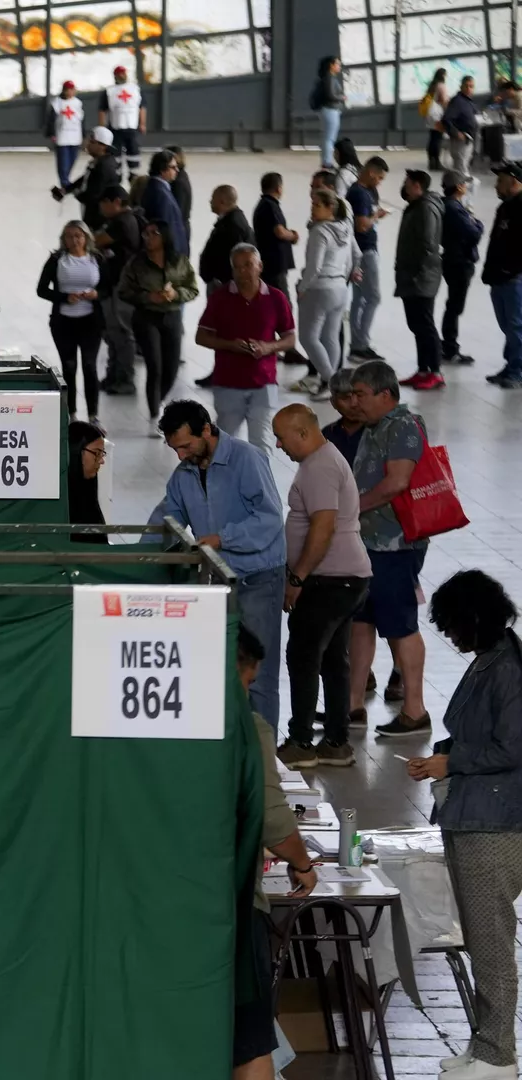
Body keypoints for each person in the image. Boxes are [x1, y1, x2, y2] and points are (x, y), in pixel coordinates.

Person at [406, 571, 522, 1080]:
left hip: (492, 826)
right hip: (472, 814)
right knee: (480, 938)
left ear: (473, 619)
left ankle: (498, 1055)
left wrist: (452, 764)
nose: (451, 638)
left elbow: (512, 747)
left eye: (453, 627)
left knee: (492, 943)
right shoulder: (491, 661)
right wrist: (446, 755)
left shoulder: (507, 671)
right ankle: (483, 1042)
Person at [151, 398, 287, 725]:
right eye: (175, 449)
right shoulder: (185, 472)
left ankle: (263, 755)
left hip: (258, 577)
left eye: (185, 446)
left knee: (258, 672)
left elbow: (269, 519)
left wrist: (223, 538)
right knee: (222, 668)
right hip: (218, 583)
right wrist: (141, 558)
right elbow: (166, 519)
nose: (181, 456)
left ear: (207, 430)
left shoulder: (247, 459)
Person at [233, 624, 318, 1080]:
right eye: (247, 683)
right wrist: (302, 863)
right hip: (229, 910)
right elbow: (270, 814)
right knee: (249, 1040)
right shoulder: (243, 727)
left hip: (140, 906)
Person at [268, 404, 372, 770]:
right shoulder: (324, 460)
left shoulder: (319, 468)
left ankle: (300, 742)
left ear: (302, 433)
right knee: (331, 659)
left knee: (304, 655)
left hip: (330, 580)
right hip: (346, 577)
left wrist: (296, 578)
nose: (278, 445)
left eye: (281, 437)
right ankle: (336, 742)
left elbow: (322, 528)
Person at [339, 360, 432, 738]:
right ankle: (352, 704)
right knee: (361, 622)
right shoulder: (375, 426)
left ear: (385, 394)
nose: (355, 402)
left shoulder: (404, 427)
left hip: (395, 545)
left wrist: (353, 508)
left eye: (361, 395)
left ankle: (415, 710)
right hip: (366, 543)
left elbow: (397, 482)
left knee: (400, 625)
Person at [194, 245, 293, 454]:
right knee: (223, 445)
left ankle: (260, 486)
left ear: (260, 266)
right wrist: (231, 345)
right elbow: (201, 336)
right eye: (237, 267)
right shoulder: (220, 298)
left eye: (248, 265)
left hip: (264, 383)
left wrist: (268, 347)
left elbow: (290, 338)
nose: (243, 272)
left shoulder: (276, 298)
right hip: (228, 384)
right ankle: (223, 484)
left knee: (262, 444)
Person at [117, 218, 198, 421]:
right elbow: (124, 291)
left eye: (154, 233)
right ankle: (155, 415)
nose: (149, 238)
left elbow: (192, 288)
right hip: (146, 317)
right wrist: (147, 297)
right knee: (155, 366)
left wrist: (176, 294)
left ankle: (159, 400)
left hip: (172, 315)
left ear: (165, 236)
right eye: (146, 234)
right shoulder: (137, 263)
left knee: (171, 368)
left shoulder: (179, 261)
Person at [289, 190, 358, 400]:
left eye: (317, 205)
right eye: (312, 204)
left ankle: (332, 382)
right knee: (330, 336)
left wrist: (302, 288)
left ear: (330, 208)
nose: (312, 208)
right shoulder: (345, 228)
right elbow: (357, 255)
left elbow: (314, 266)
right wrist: (346, 275)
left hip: (319, 289)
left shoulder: (320, 232)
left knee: (307, 338)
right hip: (340, 288)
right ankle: (332, 381)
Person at [37, 220, 105, 418]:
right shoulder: (57, 259)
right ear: (63, 239)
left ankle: (93, 415)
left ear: (86, 238)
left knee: (90, 366)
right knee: (69, 366)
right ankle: (71, 413)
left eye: (78, 236)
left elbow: (109, 287)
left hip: (91, 321)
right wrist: (64, 297)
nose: (74, 240)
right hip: (64, 322)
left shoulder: (96, 259)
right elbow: (41, 289)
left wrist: (95, 294)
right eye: (69, 236)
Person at [395, 169, 447, 389]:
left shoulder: (426, 208)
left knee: (425, 324)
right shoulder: (416, 206)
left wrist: (418, 272)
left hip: (421, 277)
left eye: (407, 182)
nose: (404, 186)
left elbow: (428, 245)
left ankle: (435, 372)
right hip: (412, 276)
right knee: (416, 323)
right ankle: (423, 369)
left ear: (417, 185)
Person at [95, 185, 143, 395]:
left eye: (104, 203)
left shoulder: (123, 221)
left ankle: (125, 379)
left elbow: (96, 241)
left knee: (122, 333)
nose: (101, 208)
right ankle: (113, 376)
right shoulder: (122, 220)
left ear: (116, 202)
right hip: (115, 284)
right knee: (113, 334)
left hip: (121, 287)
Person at [346, 155, 391, 361]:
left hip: (360, 250)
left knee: (359, 297)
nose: (379, 182)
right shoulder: (359, 194)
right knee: (373, 296)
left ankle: (357, 343)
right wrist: (377, 217)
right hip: (364, 251)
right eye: (379, 178)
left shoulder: (366, 192)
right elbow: (361, 225)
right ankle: (360, 343)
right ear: (371, 173)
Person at [441, 169, 484, 367]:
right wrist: (478, 223)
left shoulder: (450, 206)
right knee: (454, 307)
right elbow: (474, 233)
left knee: (454, 306)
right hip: (459, 263)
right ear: (459, 186)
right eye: (464, 184)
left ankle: (449, 345)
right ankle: (450, 347)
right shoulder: (454, 209)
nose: (466, 187)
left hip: (453, 260)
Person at [489, 162, 522, 388]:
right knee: (507, 325)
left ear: (515, 182)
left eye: (501, 181)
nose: (495, 185)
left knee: (516, 325)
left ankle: (516, 371)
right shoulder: (505, 208)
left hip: (515, 278)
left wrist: (511, 269)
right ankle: (511, 364)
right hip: (499, 277)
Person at [57, 126, 121, 231]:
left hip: (98, 219)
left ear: (103, 146)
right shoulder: (99, 162)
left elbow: (93, 196)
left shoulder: (104, 166)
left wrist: (76, 193)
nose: (88, 144)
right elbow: (86, 177)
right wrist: (66, 189)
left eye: (92, 142)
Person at [199, 184, 255, 292]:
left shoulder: (233, 225)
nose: (210, 202)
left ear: (222, 201)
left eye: (213, 199)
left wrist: (220, 279)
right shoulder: (228, 222)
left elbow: (234, 259)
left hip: (225, 286)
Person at [251, 173, 298, 293]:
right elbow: (279, 231)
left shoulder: (263, 205)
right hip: (274, 265)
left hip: (268, 263)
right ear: (279, 188)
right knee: (281, 300)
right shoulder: (270, 205)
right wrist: (293, 235)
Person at [100, 65, 146, 178]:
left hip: (132, 127)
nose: (121, 75)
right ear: (115, 76)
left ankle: (134, 176)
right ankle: (116, 176)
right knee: (115, 153)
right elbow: (102, 110)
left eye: (123, 73)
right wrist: (102, 128)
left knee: (133, 152)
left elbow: (142, 107)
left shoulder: (135, 89)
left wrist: (142, 123)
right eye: (119, 74)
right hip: (115, 128)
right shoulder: (109, 91)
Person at [67, 419, 108, 541]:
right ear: (75, 452)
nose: (101, 461)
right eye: (96, 453)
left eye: (102, 454)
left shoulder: (87, 494)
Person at [141, 151, 188, 255]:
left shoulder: (160, 189)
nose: (177, 170)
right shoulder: (159, 193)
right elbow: (164, 229)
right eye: (173, 167)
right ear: (162, 169)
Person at [44, 81, 83, 190]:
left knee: (72, 159)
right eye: (69, 89)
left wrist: (84, 135)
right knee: (63, 162)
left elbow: (81, 120)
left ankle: (66, 178)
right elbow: (51, 120)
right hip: (62, 136)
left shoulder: (78, 103)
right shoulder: (57, 103)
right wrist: (51, 133)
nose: (71, 92)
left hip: (75, 136)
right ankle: (64, 182)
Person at [311, 56, 346, 169]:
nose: (339, 66)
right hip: (330, 110)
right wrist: (342, 97)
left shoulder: (328, 78)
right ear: (331, 65)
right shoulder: (329, 78)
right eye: (337, 64)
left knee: (327, 137)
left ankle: (326, 161)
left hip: (329, 110)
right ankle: (327, 162)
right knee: (329, 138)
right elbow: (330, 95)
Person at [445, 75, 480, 177]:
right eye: (467, 86)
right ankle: (461, 190)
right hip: (460, 141)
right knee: (460, 170)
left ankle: (462, 189)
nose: (469, 89)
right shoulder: (457, 101)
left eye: (471, 86)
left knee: (463, 167)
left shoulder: (469, 101)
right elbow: (446, 119)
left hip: (469, 139)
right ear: (461, 87)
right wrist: (456, 133)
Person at [421, 69, 450, 170]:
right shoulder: (441, 85)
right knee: (438, 138)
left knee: (432, 137)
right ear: (443, 75)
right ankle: (437, 162)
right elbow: (443, 100)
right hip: (438, 114)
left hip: (430, 114)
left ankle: (431, 162)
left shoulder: (431, 85)